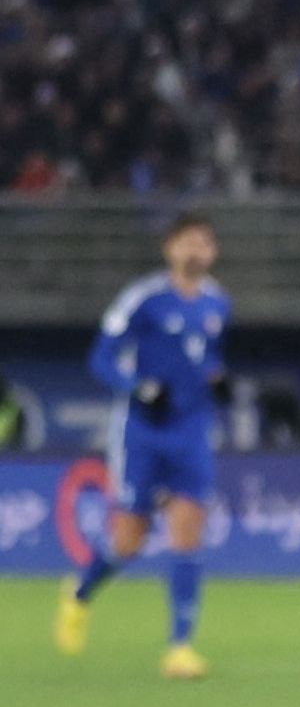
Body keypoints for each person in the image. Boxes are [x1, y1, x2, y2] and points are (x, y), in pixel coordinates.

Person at [56, 214, 229, 678]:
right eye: (188, 242)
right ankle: (79, 596)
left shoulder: (217, 303)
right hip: (143, 432)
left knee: (188, 531)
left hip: (192, 431)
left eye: (205, 244)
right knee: (129, 541)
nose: (197, 251)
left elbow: (206, 357)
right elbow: (101, 357)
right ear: (169, 248)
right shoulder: (144, 299)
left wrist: (216, 378)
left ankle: (180, 647)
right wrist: (136, 387)